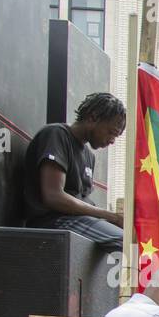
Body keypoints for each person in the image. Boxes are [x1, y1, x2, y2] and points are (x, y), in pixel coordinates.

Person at [22, 93, 126, 250]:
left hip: (76, 221)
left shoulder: (89, 156)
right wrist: (110, 216)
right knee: (124, 241)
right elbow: (53, 196)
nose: (112, 141)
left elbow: (83, 201)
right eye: (111, 132)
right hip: (51, 221)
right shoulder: (56, 135)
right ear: (93, 118)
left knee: (133, 238)